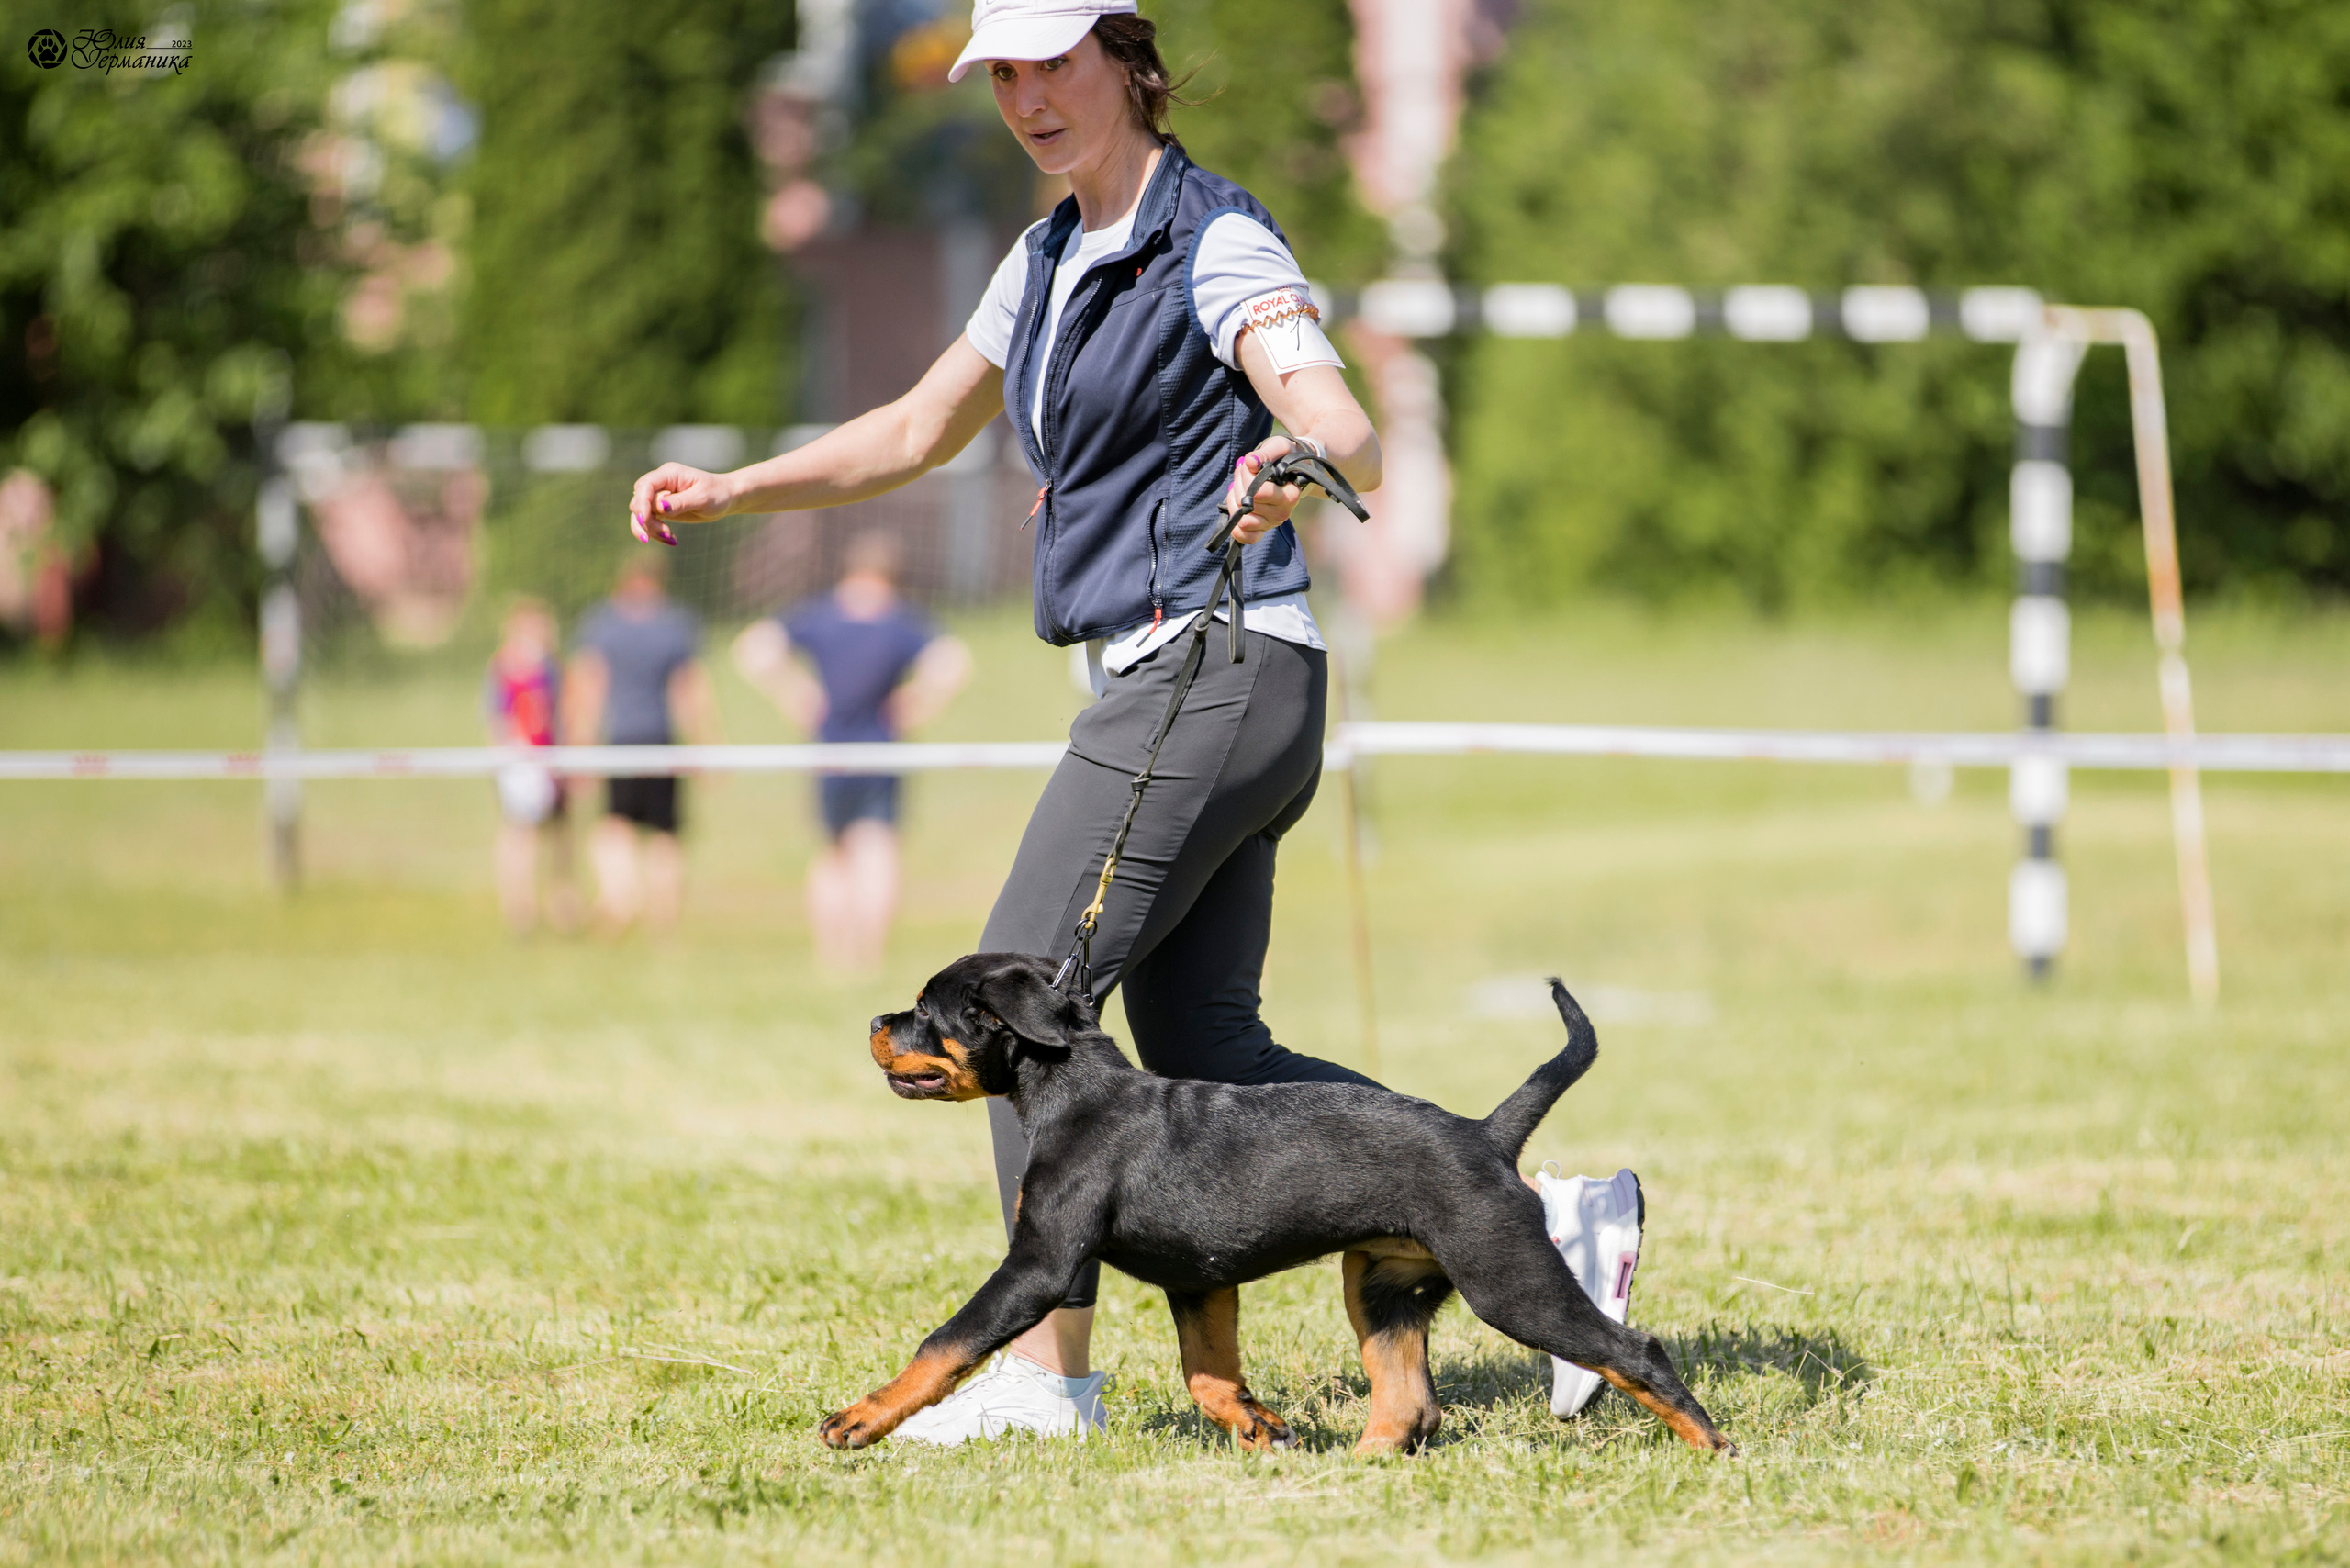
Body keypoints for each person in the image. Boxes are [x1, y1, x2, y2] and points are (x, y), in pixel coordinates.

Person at [623, 0, 1635, 1443]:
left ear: (1125, 58)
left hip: (1211, 671)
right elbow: (914, 432)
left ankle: (1047, 1390)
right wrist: (734, 491)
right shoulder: (1041, 260)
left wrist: (1293, 454)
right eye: (1004, 73)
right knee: (1211, 1049)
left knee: (1017, 1011)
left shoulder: (1211, 236)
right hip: (1194, 688)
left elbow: (1337, 417)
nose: (1026, 96)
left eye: (1053, 62)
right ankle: (1535, 1215)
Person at [733, 532, 973, 973]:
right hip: (881, 754)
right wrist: (919, 699)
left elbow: (754, 647)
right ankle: (869, 957)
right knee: (878, 851)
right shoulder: (902, 622)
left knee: (833, 852)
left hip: (830, 754)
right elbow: (954, 660)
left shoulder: (819, 616)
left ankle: (833, 958)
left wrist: (793, 691)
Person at [563, 553, 720, 935]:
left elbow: (588, 685)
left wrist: (581, 743)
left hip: (620, 742)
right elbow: (689, 690)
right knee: (666, 834)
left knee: (615, 826)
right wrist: (705, 743)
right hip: (662, 741)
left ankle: (621, 894)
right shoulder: (676, 625)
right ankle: (663, 920)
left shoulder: (602, 624)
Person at [484, 597, 581, 935]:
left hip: (552, 763)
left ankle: (563, 910)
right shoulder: (504, 668)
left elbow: (564, 714)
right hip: (523, 766)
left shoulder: (552, 668)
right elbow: (497, 720)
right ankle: (520, 912)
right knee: (520, 835)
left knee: (560, 837)